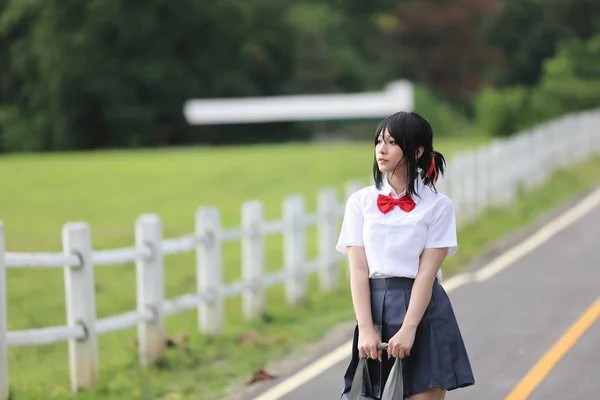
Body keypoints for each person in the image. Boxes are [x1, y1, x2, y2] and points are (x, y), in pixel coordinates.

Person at [336, 111, 475, 399]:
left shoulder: (438, 206)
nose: (381, 150)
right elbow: (358, 271)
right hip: (374, 309)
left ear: (418, 150)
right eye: (378, 142)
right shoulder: (360, 202)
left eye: (391, 142)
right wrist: (365, 328)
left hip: (423, 311)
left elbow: (426, 273)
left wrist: (410, 327)